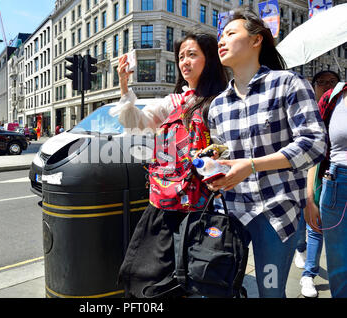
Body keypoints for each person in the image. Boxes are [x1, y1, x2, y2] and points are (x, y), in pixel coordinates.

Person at [207, 8, 327, 298]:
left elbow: (314, 143)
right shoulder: (218, 105)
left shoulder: (288, 84)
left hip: (276, 214)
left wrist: (252, 165)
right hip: (231, 214)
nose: (221, 41)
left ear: (256, 40)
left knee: (270, 291)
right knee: (217, 289)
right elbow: (223, 156)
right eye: (220, 36)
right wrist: (213, 169)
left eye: (230, 34)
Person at [110, 32, 228, 297]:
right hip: (164, 201)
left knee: (193, 276)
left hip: (202, 207)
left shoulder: (221, 101)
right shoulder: (172, 102)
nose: (184, 62)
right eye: (181, 56)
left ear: (209, 59)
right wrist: (124, 84)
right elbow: (135, 122)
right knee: (145, 274)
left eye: (192, 55)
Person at [296, 70, 340, 298]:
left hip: (330, 174)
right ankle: (307, 272)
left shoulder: (337, 105)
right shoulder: (306, 108)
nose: (326, 86)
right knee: (313, 225)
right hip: (311, 173)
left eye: (331, 82)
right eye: (321, 82)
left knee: (318, 225)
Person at [307, 80, 347, 298]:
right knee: (339, 267)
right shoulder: (333, 97)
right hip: (335, 186)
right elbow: (317, 150)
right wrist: (310, 198)